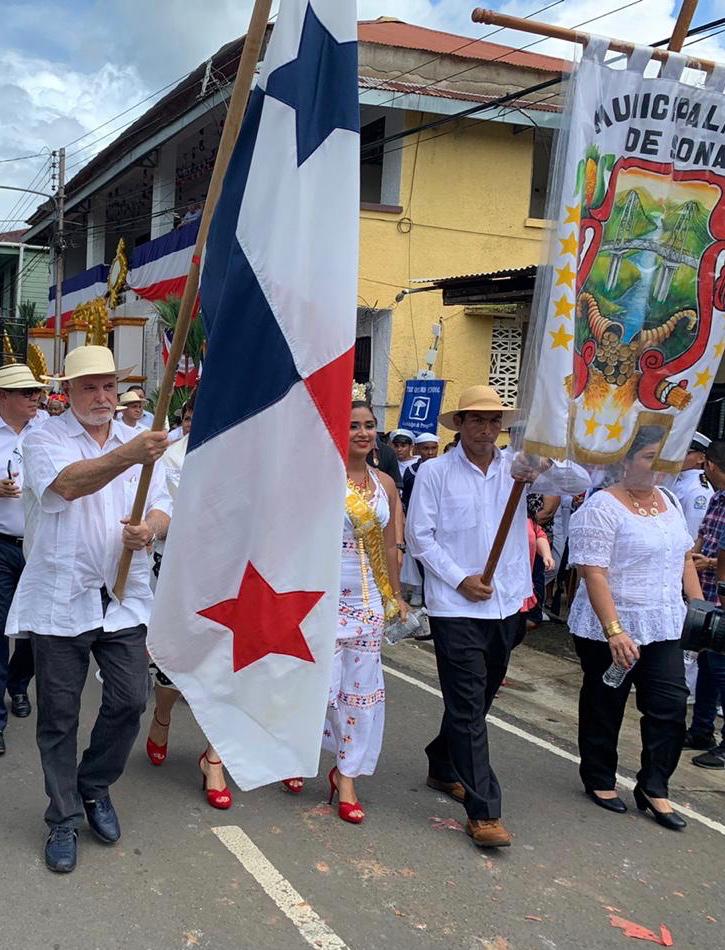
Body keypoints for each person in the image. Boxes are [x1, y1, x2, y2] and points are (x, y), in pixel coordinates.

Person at [6, 346, 171, 873]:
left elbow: (165, 503)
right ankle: (61, 817)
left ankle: (93, 785)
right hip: (62, 597)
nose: (102, 398)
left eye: (108, 387)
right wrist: (133, 454)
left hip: (123, 597)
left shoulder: (136, 441)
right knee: (58, 714)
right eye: (89, 387)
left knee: (129, 700)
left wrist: (151, 530)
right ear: (68, 394)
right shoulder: (43, 438)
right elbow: (70, 485)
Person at [406, 385, 590, 848]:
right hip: (457, 606)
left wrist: (547, 463)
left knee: (481, 697)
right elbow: (421, 537)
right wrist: (458, 578)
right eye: (477, 421)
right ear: (460, 425)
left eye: (494, 422)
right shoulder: (435, 472)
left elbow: (579, 482)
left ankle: (442, 760)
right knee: (467, 703)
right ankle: (484, 810)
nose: (486, 430)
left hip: (507, 602)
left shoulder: (518, 466)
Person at [567, 426, 701, 830]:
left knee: (670, 706)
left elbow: (685, 559)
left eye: (661, 459)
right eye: (647, 458)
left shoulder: (672, 500)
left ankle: (654, 786)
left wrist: (698, 612)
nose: (656, 468)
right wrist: (614, 631)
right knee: (606, 702)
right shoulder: (601, 508)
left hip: (663, 623)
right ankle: (599, 777)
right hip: (609, 625)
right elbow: (594, 572)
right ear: (626, 460)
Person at [285, 401, 407, 823]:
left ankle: (347, 774)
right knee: (325, 692)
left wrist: (395, 594)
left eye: (369, 426)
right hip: (324, 602)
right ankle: (299, 752)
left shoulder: (386, 484)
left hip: (369, 602)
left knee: (360, 694)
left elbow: (391, 544)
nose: (362, 432)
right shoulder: (319, 481)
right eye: (353, 425)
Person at [144, 393, 232, 807]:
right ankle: (162, 717)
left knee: (228, 663)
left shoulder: (242, 455)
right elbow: (163, 512)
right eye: (194, 415)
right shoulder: (170, 458)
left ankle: (214, 758)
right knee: (173, 661)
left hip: (232, 577)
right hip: (179, 572)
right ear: (185, 418)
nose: (201, 422)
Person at [0, 364, 49, 755]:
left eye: (35, 391)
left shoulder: (48, 429)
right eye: (26, 392)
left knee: (34, 629)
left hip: (40, 545)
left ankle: (18, 686)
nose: (35, 397)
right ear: (3, 396)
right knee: (0, 631)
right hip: (1, 545)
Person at [686, 440, 725, 767]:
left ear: (709, 464)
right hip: (708, 593)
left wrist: (709, 565)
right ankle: (701, 729)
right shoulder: (716, 499)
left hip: (721, 590)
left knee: (721, 668)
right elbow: (702, 537)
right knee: (708, 661)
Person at [674, 432, 713, 543]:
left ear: (701, 458)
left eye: (685, 453)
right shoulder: (679, 479)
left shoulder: (699, 489)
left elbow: (693, 532)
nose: (678, 456)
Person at [402, 433, 439, 512]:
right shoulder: (411, 471)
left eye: (434, 448)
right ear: (417, 449)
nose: (430, 453)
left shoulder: (443, 470)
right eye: (425, 449)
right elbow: (406, 498)